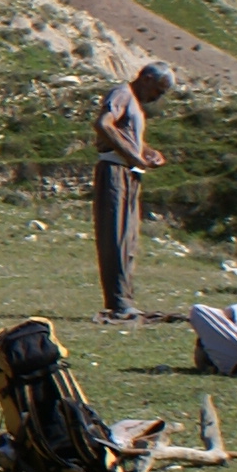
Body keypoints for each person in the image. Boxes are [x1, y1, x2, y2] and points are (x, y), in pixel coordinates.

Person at [93, 61, 175, 319]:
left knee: (129, 238)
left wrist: (148, 153)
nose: (156, 98)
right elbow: (104, 124)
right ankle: (118, 302)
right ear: (147, 78)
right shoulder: (121, 94)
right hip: (114, 171)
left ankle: (126, 299)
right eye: (158, 91)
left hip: (129, 173)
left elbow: (129, 137)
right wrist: (133, 156)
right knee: (115, 236)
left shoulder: (136, 105)